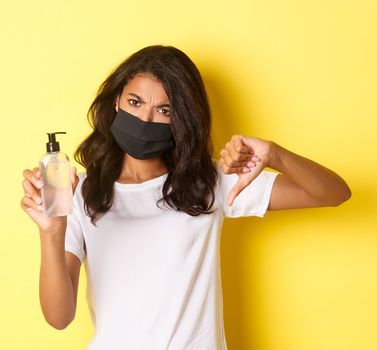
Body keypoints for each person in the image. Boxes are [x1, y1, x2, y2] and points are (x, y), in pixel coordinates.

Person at [19, 45, 351, 349]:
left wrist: (274, 154)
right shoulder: (80, 191)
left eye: (164, 110)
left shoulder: (210, 182)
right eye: (135, 102)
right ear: (117, 100)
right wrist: (51, 232)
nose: (145, 120)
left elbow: (335, 193)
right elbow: (59, 317)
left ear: (181, 120)